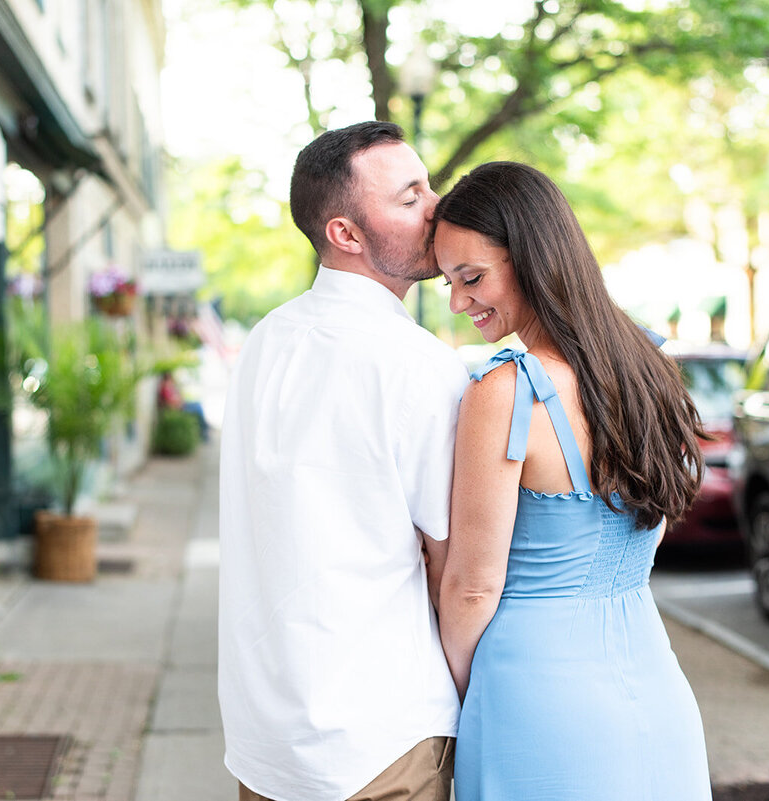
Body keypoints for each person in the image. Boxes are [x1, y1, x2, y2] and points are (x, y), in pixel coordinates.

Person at [432, 161, 712, 800]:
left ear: (532, 258)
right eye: (448, 282)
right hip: (655, 683)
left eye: (471, 277)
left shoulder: (506, 390)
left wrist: (461, 691)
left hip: (531, 692)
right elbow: (646, 526)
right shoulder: (648, 371)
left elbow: (473, 585)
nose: (457, 301)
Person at [218, 121, 467, 801]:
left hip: (267, 743)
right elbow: (453, 566)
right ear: (346, 234)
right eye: (411, 196)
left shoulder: (262, 345)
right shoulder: (420, 366)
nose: (437, 206)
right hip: (382, 739)